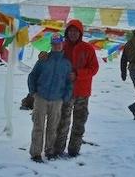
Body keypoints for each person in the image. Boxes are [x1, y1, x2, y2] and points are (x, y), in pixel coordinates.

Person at [38, 19, 99, 158]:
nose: (73, 34)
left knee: (79, 121)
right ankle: (58, 150)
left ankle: (74, 150)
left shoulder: (88, 48)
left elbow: (94, 68)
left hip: (82, 92)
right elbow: (51, 59)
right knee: (62, 121)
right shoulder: (62, 46)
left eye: (76, 31)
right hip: (65, 91)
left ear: (80, 33)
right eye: (70, 31)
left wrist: (78, 74)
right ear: (66, 32)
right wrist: (43, 56)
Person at [28, 33, 73, 162]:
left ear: (62, 44)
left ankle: (49, 151)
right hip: (41, 97)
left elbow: (69, 83)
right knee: (38, 126)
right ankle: (36, 153)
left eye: (59, 44)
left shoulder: (66, 63)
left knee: (53, 127)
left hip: (57, 100)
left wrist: (65, 97)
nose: (57, 46)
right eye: (54, 44)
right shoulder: (43, 60)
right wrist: (33, 92)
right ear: (51, 45)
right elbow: (32, 76)